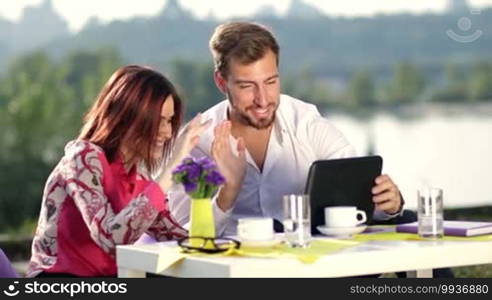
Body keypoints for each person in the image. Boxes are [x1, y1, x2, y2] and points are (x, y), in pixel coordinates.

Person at [168, 22, 403, 237]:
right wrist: (228, 191)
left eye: (270, 82)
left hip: (308, 261)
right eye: (247, 86)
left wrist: (388, 203)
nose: (263, 100)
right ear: (221, 82)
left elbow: (358, 188)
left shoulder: (305, 123)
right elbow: (182, 234)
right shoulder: (196, 143)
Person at [27, 65, 209, 277]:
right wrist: (172, 167)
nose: (168, 133)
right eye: (157, 121)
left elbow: (174, 235)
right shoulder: (83, 158)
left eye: (169, 121)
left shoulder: (138, 175)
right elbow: (111, 238)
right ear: (127, 116)